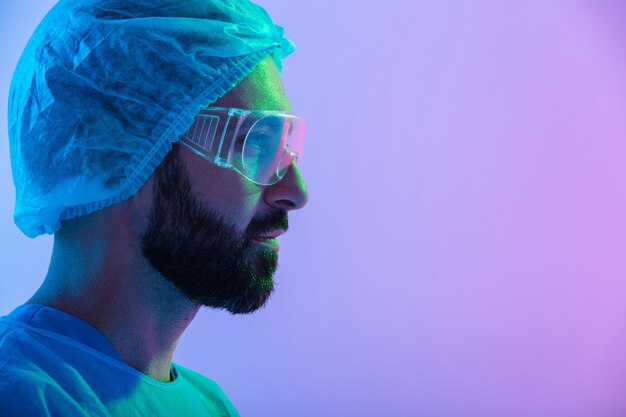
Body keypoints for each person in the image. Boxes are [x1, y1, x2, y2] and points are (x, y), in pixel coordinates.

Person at [0, 0, 308, 415]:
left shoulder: (210, 404)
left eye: (287, 150)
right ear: (119, 149)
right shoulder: (22, 397)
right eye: (255, 143)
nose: (295, 191)